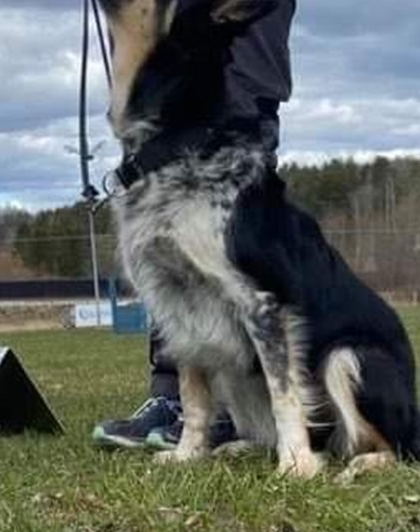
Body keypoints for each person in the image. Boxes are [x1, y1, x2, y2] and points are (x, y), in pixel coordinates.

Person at [91, 0, 296, 450]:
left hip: (240, 69)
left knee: (238, 263)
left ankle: (247, 409)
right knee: (163, 247)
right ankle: (178, 402)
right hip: (163, 82)